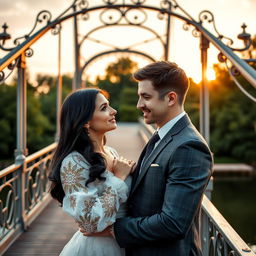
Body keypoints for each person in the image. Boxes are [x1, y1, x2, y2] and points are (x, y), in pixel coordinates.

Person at [82, 61, 213, 256]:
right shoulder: (161, 135)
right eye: (139, 97)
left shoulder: (189, 147)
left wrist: (113, 229)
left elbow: (173, 223)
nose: (139, 105)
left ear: (170, 98)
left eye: (146, 97)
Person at [48, 88, 135, 256]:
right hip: (98, 248)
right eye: (104, 108)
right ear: (86, 121)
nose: (113, 111)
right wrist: (119, 177)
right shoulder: (74, 162)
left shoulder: (112, 152)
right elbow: (88, 223)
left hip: (125, 242)